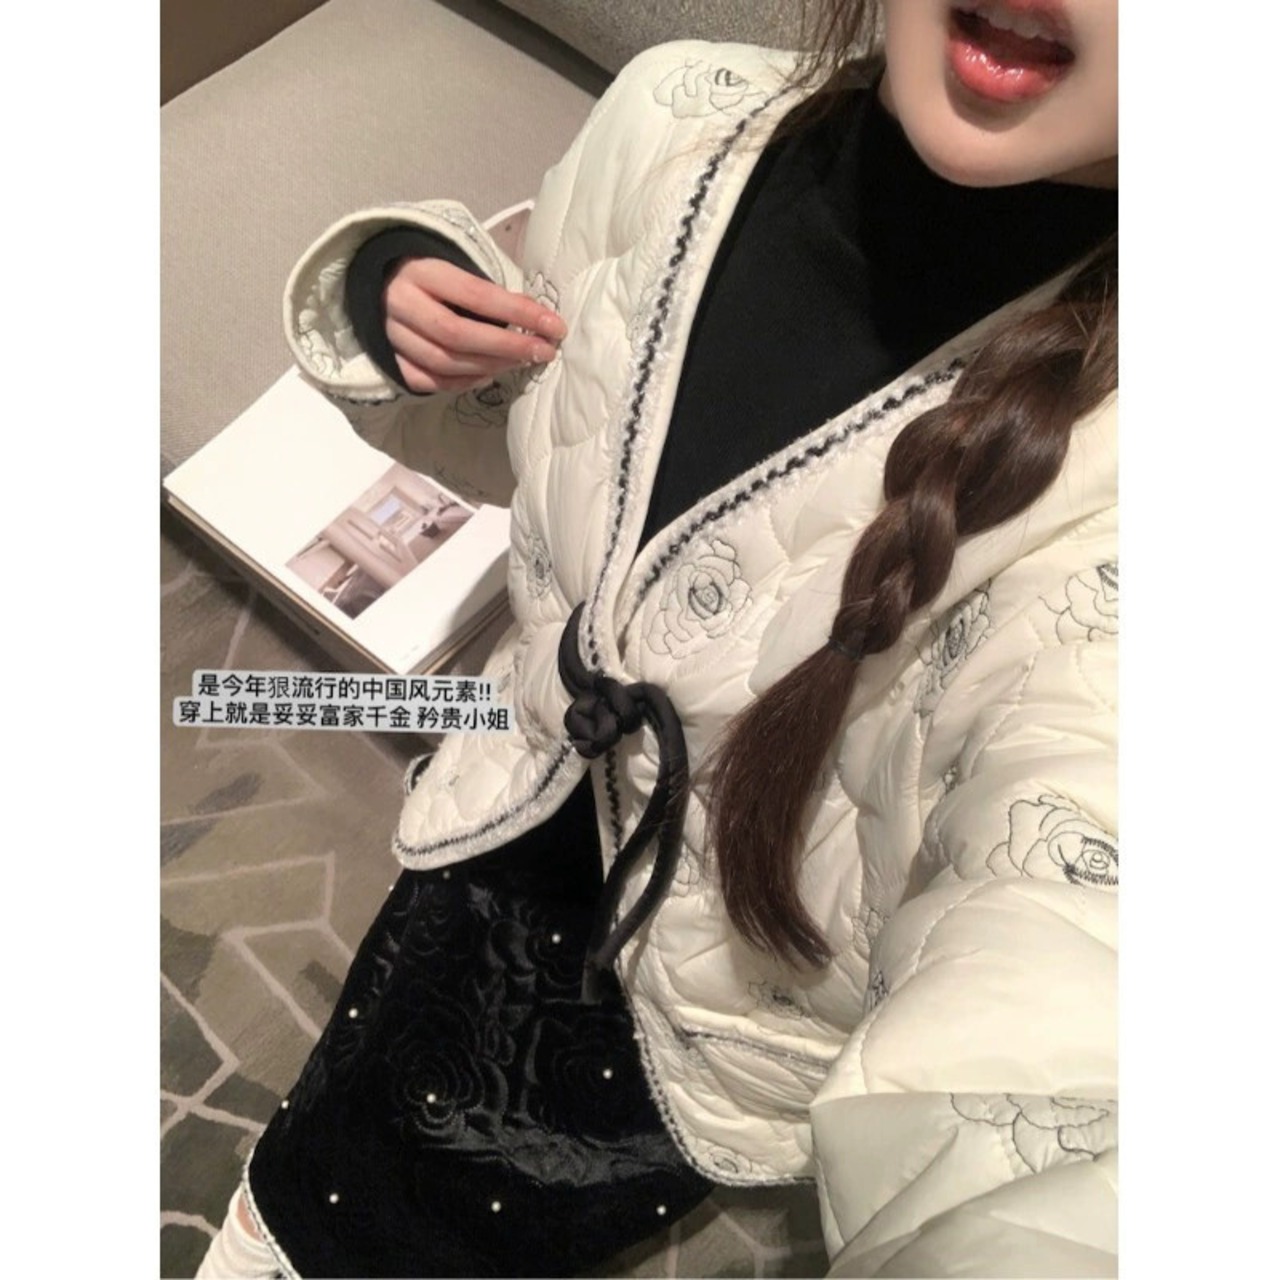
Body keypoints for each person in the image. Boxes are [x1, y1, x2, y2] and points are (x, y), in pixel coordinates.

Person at [199, 0, 1119, 1274]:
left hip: (689, 1028)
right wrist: (404, 299)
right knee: (344, 1110)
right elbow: (534, 429)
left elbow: (1076, 950)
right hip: (492, 810)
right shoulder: (672, 121)